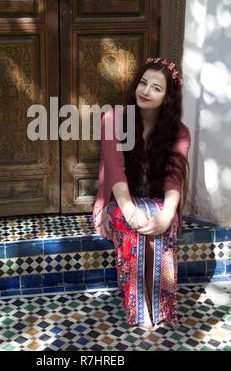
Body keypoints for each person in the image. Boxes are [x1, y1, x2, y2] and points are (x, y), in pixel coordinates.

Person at [92, 57, 191, 330]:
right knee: (133, 226)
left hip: (160, 201)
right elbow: (114, 168)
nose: (145, 91)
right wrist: (129, 209)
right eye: (143, 83)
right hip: (119, 199)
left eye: (156, 88)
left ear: (168, 98)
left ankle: (158, 303)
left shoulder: (179, 132)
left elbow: (174, 177)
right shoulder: (113, 119)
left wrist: (168, 213)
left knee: (158, 225)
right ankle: (140, 305)